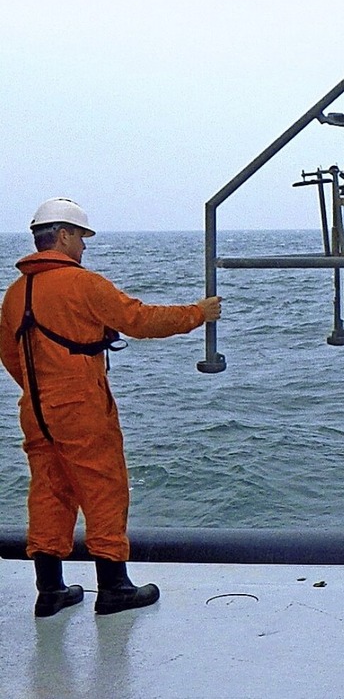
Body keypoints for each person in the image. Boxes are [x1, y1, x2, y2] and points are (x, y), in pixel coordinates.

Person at [0, 197, 222, 617]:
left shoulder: (15, 293)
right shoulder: (83, 284)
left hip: (36, 410)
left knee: (49, 492)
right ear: (63, 236)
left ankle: (50, 591)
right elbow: (139, 320)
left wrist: (40, 389)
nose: (84, 248)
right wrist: (198, 313)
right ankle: (115, 588)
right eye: (81, 238)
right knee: (104, 489)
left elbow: (10, 356)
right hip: (80, 406)